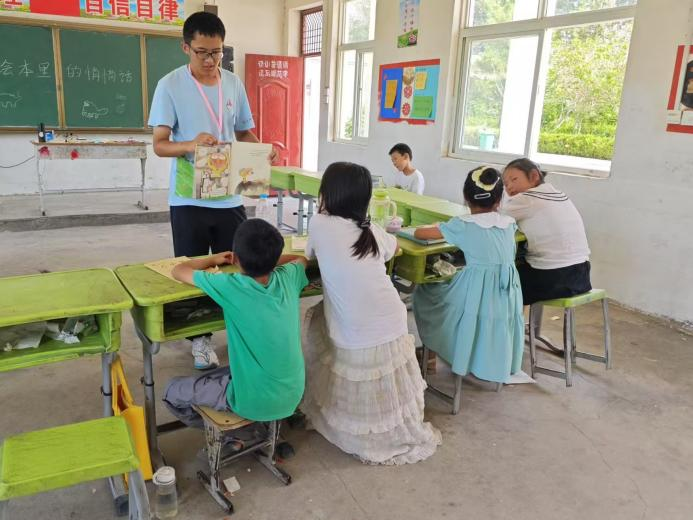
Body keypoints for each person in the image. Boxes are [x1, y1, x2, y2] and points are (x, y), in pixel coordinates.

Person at [148, 11, 276, 370]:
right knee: (192, 266)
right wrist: (190, 144)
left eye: (217, 52)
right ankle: (199, 340)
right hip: (189, 197)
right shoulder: (170, 85)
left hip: (229, 194)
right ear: (185, 47)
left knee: (238, 264)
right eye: (202, 52)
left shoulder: (233, 83)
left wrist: (262, 150)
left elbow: (244, 132)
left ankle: (238, 329)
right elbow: (159, 144)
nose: (210, 60)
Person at [300, 161, 441, 465]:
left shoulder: (319, 224)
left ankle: (356, 429)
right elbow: (394, 249)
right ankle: (384, 431)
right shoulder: (369, 230)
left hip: (357, 326)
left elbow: (308, 255)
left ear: (327, 193)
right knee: (375, 375)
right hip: (391, 319)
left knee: (316, 320)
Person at [163, 219, 308, 427]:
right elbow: (300, 259)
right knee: (229, 370)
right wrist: (268, 259)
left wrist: (213, 259)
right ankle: (256, 426)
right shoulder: (289, 277)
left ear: (236, 259)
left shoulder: (230, 285)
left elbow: (179, 270)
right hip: (293, 395)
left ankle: (233, 435)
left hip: (249, 403)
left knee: (172, 390)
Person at [413, 167, 524, 384]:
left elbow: (420, 233)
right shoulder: (509, 224)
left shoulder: (463, 225)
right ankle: (484, 361)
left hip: (474, 293)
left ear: (466, 197)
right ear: (499, 199)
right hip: (506, 297)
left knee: (426, 294)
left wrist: (436, 226)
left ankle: (430, 356)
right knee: (483, 316)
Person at [501, 158, 591, 308]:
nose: (509, 186)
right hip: (582, 275)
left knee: (500, 280)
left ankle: (510, 323)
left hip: (553, 278)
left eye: (514, 179)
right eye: (505, 184)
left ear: (534, 176)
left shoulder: (526, 198)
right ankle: (522, 322)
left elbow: (494, 219)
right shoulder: (559, 194)